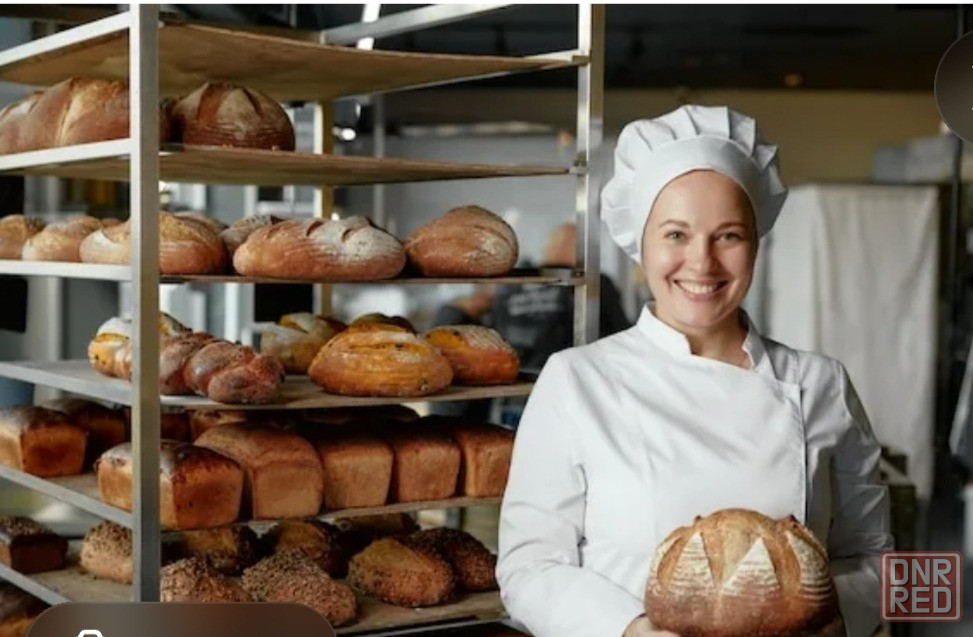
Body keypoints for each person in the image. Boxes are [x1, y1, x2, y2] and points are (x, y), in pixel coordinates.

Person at [496, 105, 893, 637]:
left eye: (728, 235)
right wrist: (630, 630)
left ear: (756, 242)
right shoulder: (576, 381)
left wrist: (834, 619)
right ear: (640, 244)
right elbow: (528, 568)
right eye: (676, 235)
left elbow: (877, 559)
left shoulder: (822, 385)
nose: (702, 263)